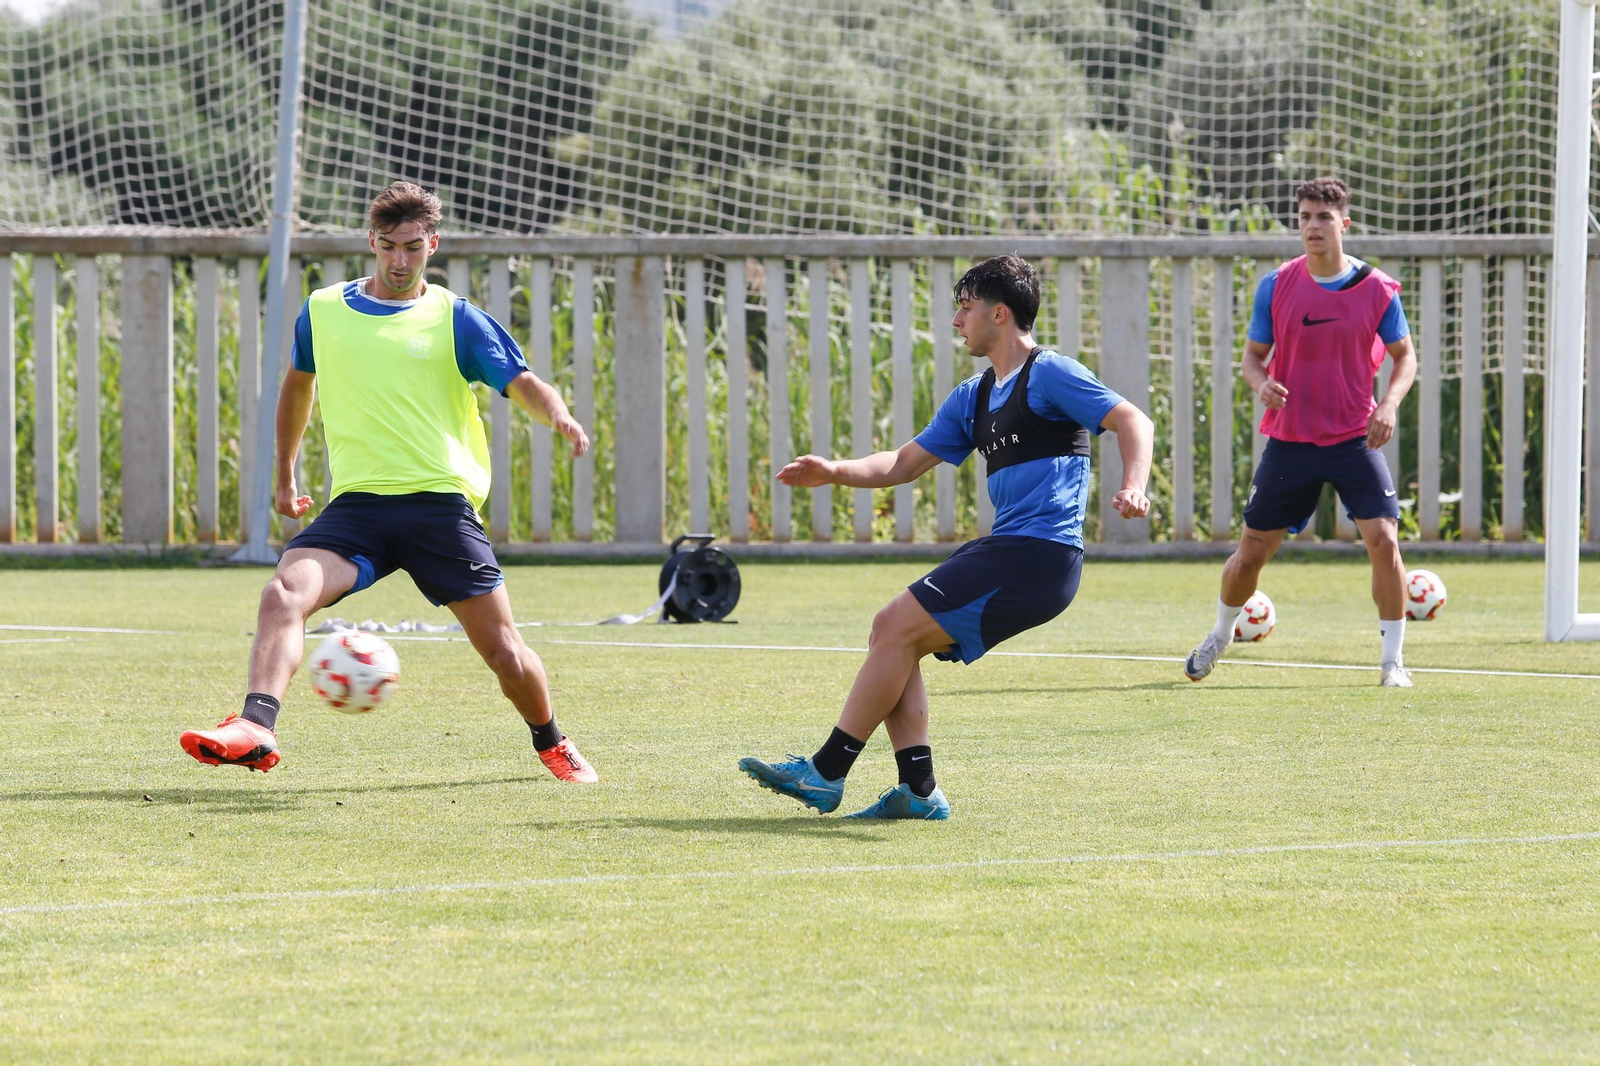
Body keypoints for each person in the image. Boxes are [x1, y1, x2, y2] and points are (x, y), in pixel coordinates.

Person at [180, 181, 600, 781]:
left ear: (433, 243)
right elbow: (299, 387)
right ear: (370, 242)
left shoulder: (457, 318)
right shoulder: (323, 311)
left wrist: (557, 414)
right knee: (283, 594)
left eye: (412, 247)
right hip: (360, 509)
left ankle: (551, 740)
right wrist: (284, 474)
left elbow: (523, 381)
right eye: (387, 247)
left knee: (506, 653)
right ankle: (256, 725)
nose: (399, 261)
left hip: (439, 509)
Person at [739, 254, 1153, 819]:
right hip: (1011, 550)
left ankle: (826, 772)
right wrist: (834, 469)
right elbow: (901, 464)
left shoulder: (1051, 372)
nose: (956, 321)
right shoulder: (974, 396)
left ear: (1000, 314)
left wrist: (1135, 486)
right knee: (897, 637)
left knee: (892, 627)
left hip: (1039, 556)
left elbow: (1134, 421)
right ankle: (918, 790)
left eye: (965, 308)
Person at [1185, 176, 1418, 688]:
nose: (1313, 226)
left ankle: (1392, 663)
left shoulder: (1377, 289)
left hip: (1354, 439)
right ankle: (1220, 636)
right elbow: (1252, 357)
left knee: (1384, 541)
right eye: (1305, 216)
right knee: (1250, 554)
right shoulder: (1276, 285)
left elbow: (1405, 358)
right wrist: (1261, 383)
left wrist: (1390, 404)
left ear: (1344, 224)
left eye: (1323, 218)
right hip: (1291, 441)